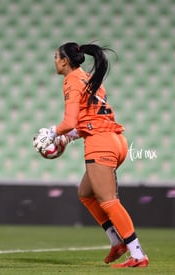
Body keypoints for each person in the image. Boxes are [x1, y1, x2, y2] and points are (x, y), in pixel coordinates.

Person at [33, 42, 149, 268]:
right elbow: (89, 120)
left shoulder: (71, 81)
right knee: (85, 193)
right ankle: (117, 242)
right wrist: (66, 138)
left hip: (101, 144)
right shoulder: (88, 78)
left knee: (109, 202)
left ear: (65, 61)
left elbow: (69, 122)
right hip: (116, 141)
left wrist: (52, 132)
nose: (55, 61)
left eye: (56, 57)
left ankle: (137, 254)